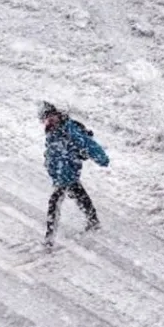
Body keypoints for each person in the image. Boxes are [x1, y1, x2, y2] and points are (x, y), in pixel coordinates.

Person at [39, 102, 109, 245]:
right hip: (62, 175)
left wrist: (101, 158)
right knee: (80, 196)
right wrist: (51, 169)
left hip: (67, 173)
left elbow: (88, 144)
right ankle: (93, 221)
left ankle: (49, 238)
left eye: (52, 117)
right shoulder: (52, 133)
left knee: (54, 203)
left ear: (58, 115)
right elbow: (52, 154)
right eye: (46, 120)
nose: (50, 121)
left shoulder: (70, 130)